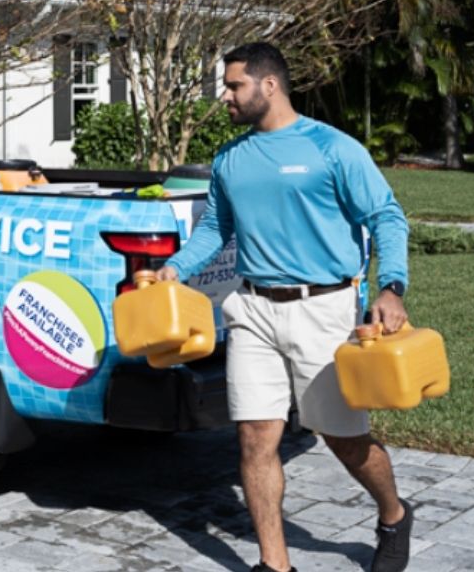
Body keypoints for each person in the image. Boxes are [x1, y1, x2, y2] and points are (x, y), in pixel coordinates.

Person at [158, 42, 413, 572]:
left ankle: (393, 513)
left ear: (268, 85)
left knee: (344, 440)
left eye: (233, 86)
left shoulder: (332, 148)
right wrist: (176, 268)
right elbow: (216, 228)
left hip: (325, 309)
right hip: (252, 309)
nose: (224, 97)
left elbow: (387, 216)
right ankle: (275, 565)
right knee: (254, 438)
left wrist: (391, 287)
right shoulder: (230, 158)